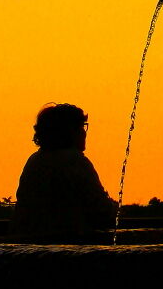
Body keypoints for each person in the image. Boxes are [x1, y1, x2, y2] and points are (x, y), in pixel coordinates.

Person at [12, 103, 115, 242]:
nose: (84, 132)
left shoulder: (35, 160)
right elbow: (100, 210)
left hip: (32, 245)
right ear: (70, 131)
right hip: (68, 247)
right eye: (81, 127)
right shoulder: (75, 161)